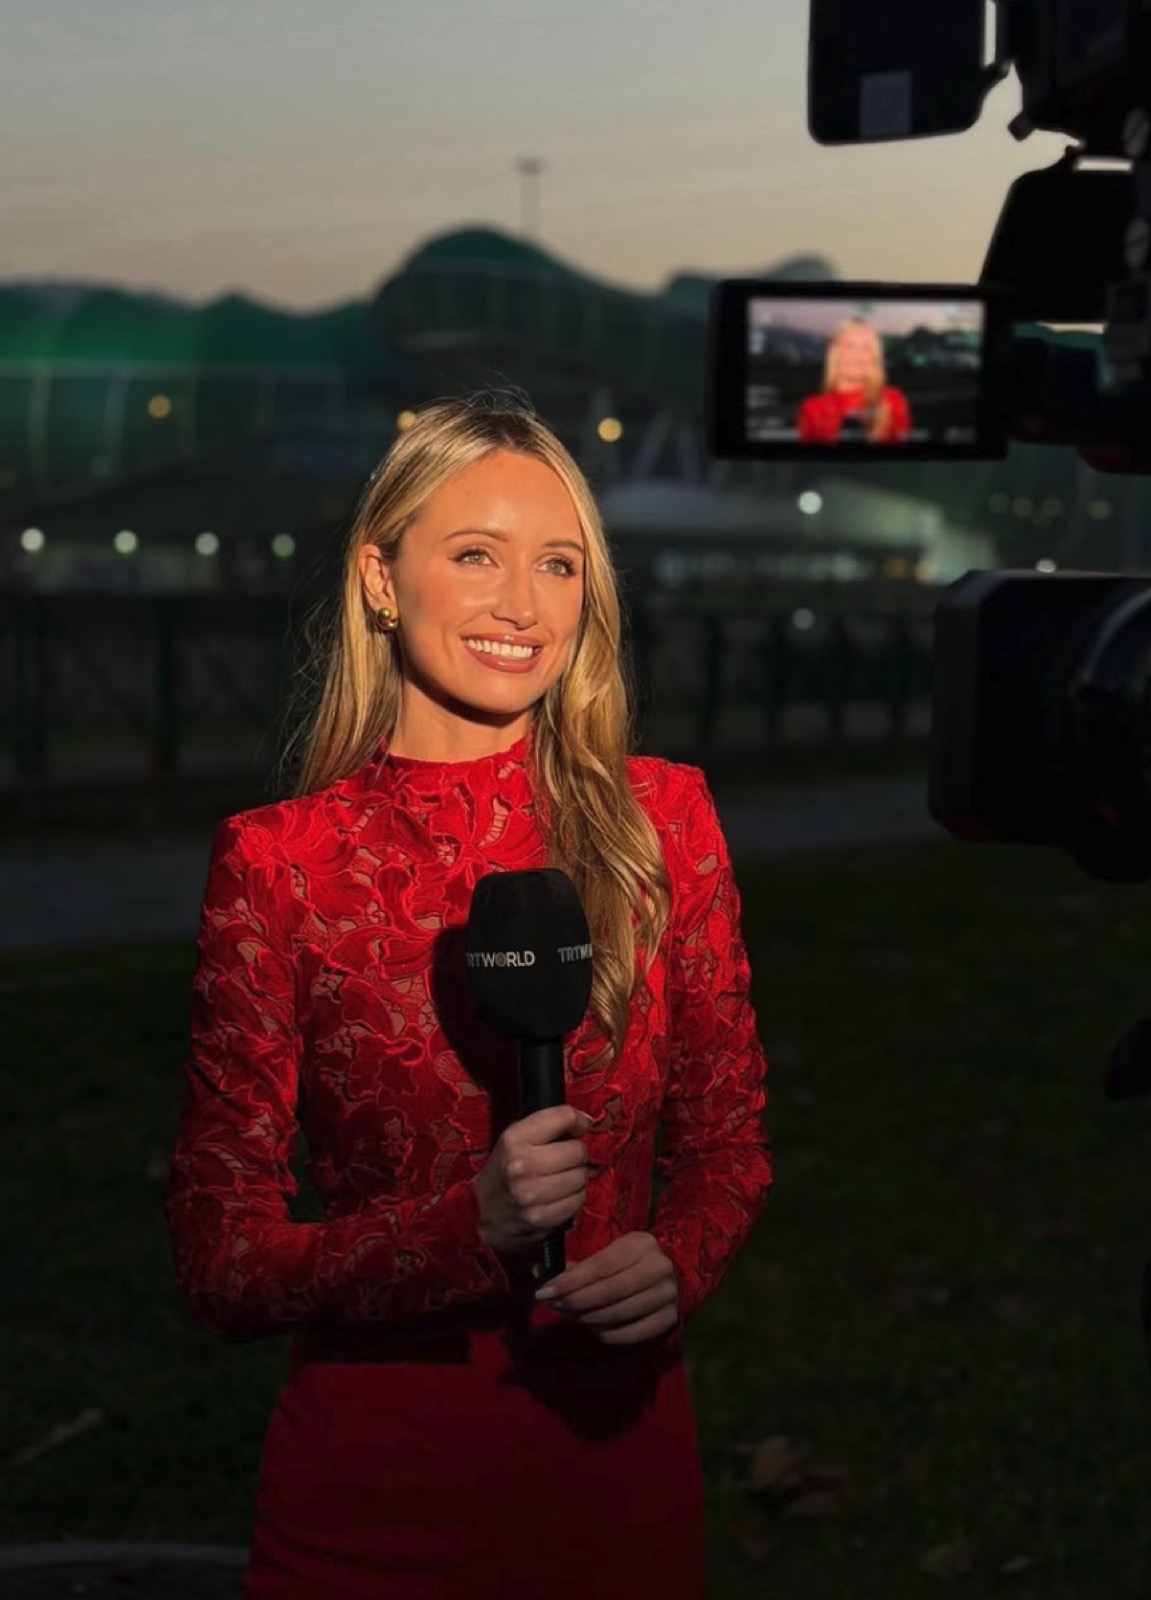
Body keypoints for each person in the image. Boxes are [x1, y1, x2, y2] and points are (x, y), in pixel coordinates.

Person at [165, 393, 773, 1600]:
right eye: (477, 556)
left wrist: (676, 1261)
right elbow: (220, 1262)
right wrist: (464, 1229)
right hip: (371, 1509)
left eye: (557, 563)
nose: (524, 605)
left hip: (618, 1480)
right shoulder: (278, 864)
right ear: (381, 580)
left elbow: (729, 1141)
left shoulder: (664, 824)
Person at [796, 317, 912, 444]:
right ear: (835, 355)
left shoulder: (893, 400)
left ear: (875, 358)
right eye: (849, 347)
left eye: (866, 348)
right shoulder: (812, 409)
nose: (858, 356)